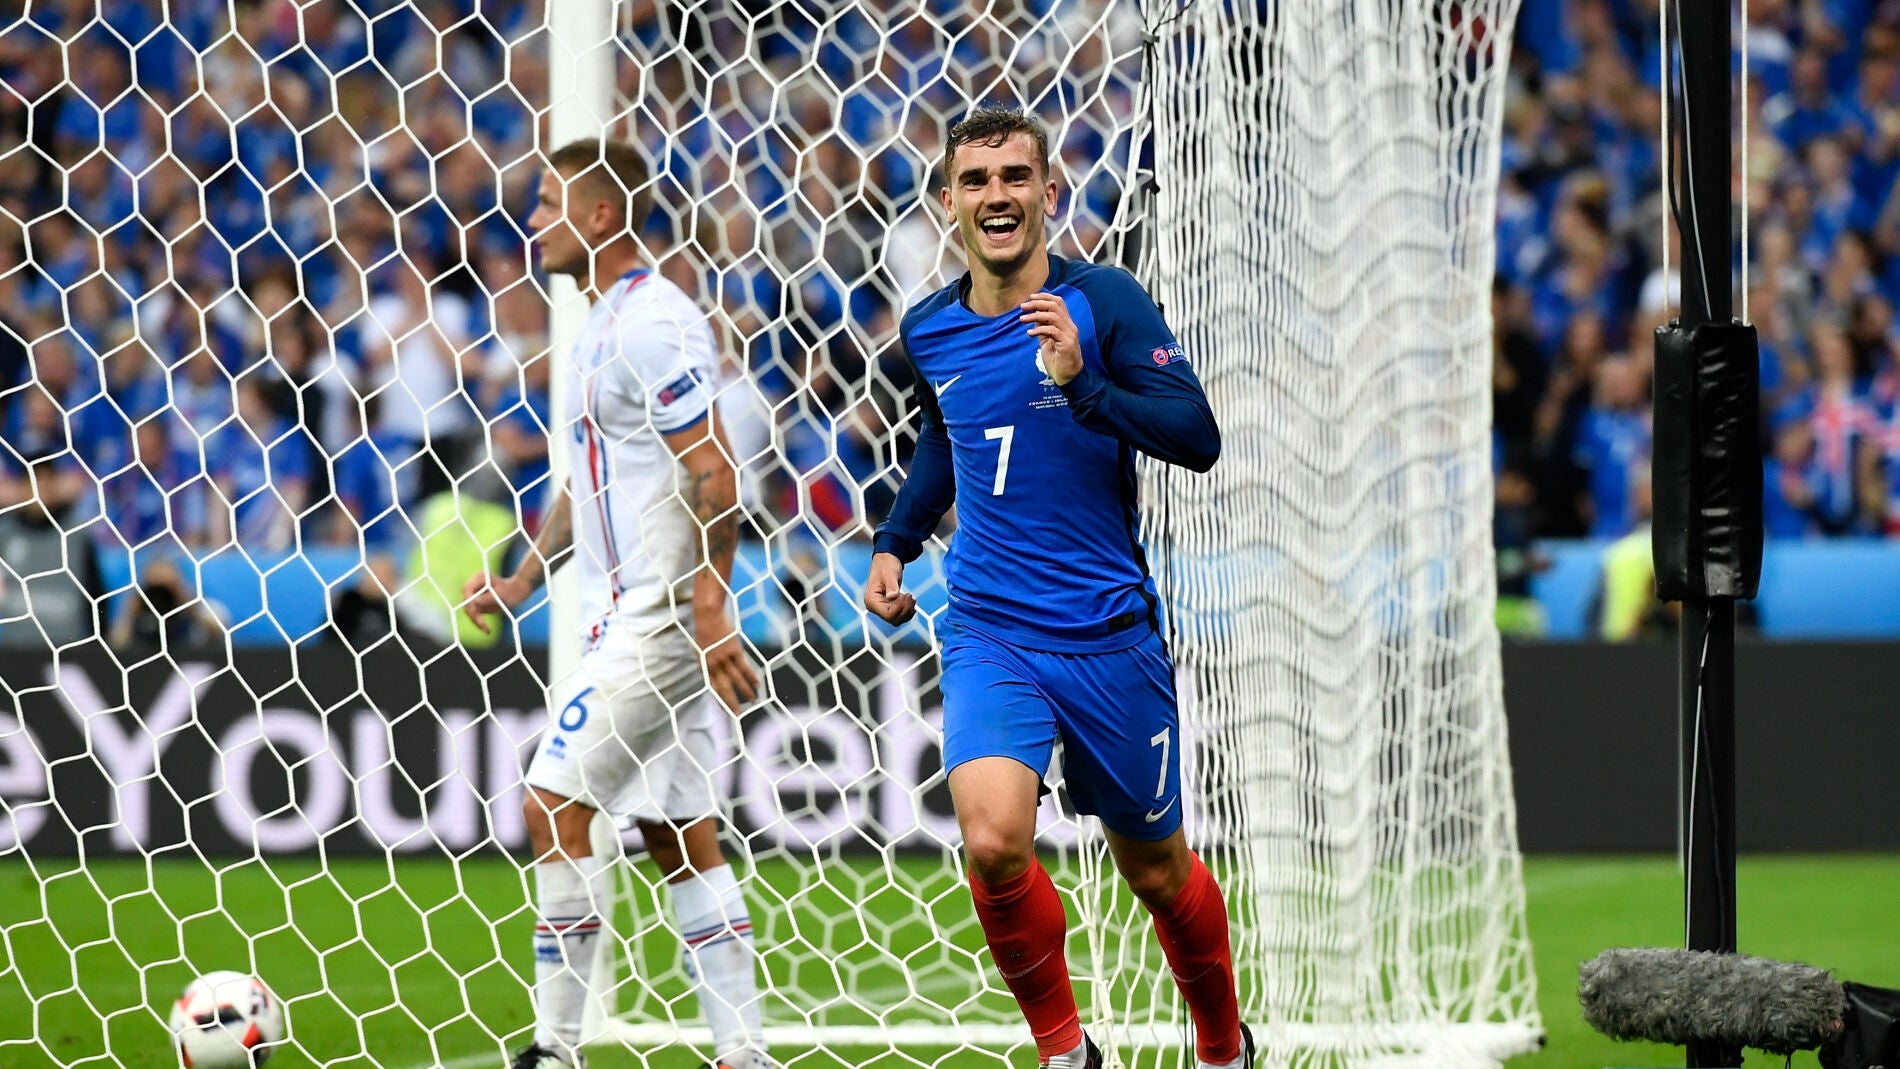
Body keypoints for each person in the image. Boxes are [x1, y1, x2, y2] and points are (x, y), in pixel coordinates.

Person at [863, 107, 1251, 1069]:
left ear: (1048, 192)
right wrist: (897, 540)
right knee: (994, 841)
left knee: (1155, 870)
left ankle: (1222, 1047)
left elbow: (1197, 436)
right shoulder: (929, 329)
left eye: (1014, 177)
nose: (996, 195)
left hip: (1106, 630)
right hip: (989, 626)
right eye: (976, 179)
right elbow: (948, 433)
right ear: (948, 202)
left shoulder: (1103, 299)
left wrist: (1083, 384)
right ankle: (1067, 1053)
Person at [460, 138, 770, 1069]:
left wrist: (709, 609)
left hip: (660, 610)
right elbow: (584, 481)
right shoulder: (600, 323)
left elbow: (713, 470)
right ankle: (744, 1052)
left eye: (548, 201)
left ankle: (555, 1049)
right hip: (624, 607)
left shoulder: (653, 323)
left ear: (601, 215)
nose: (533, 220)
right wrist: (523, 577)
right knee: (680, 835)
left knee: (551, 801)